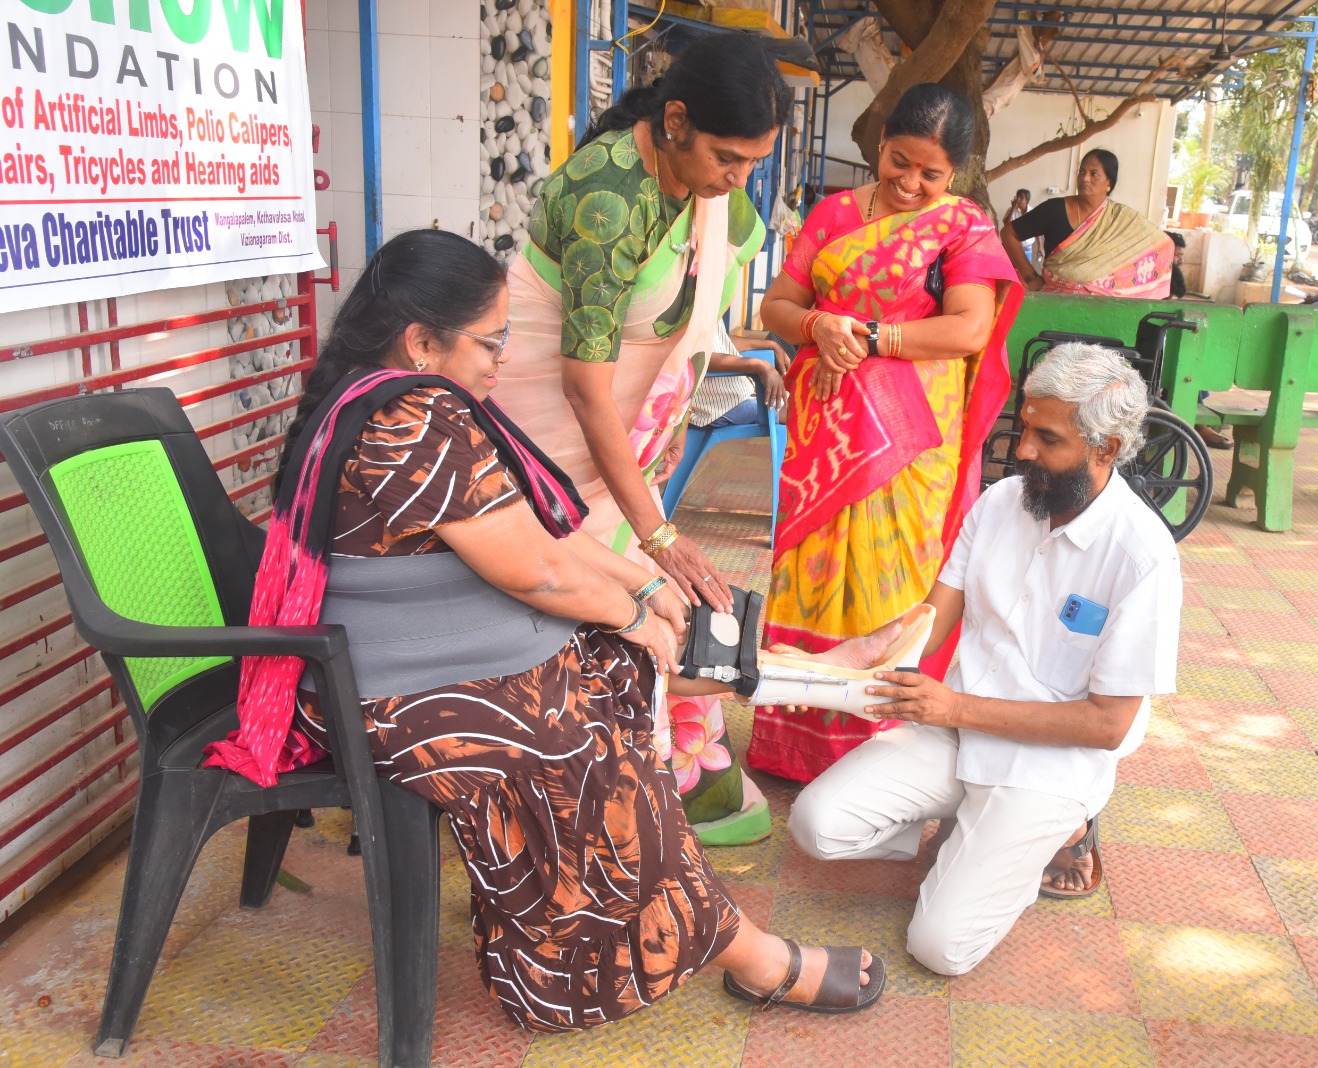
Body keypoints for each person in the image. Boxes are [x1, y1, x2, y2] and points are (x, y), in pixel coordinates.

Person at [204, 230, 889, 1031]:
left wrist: (643, 580)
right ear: (422, 341)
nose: (501, 361)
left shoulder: (385, 393)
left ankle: (625, 913)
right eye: (491, 341)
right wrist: (634, 607)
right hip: (380, 690)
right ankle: (733, 953)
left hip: (395, 660)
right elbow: (538, 571)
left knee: (607, 673)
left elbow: (541, 537)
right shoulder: (413, 417)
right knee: (585, 728)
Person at [788, 342, 1181, 977]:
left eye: (1046, 438)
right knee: (816, 824)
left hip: (1050, 765)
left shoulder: (1143, 557)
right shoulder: (1004, 503)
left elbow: (1109, 724)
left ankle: (1066, 829)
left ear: (1105, 449)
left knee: (940, 949)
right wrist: (838, 665)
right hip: (953, 731)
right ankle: (973, 835)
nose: (1023, 450)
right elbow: (930, 615)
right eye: (1024, 427)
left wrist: (954, 705)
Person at [495, 34, 792, 844]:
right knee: (587, 600)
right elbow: (585, 388)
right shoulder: (608, 198)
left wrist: (727, 351)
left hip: (623, 440)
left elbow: (691, 304)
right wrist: (659, 536)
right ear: (674, 122)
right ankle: (565, 800)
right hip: (549, 438)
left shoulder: (709, 186)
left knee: (638, 608)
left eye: (754, 162)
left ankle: (630, 781)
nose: (738, 179)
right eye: (728, 158)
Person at [747, 84, 1022, 783]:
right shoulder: (835, 214)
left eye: (930, 174)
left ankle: (879, 757)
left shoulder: (963, 226)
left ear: (953, 175)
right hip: (827, 431)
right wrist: (817, 325)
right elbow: (779, 303)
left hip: (911, 443)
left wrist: (869, 335)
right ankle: (795, 744)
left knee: (891, 586)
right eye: (898, 162)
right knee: (812, 580)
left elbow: (968, 328)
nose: (909, 183)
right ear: (879, 145)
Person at [1000, 150, 1174, 298]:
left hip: (1101, 308)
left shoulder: (1120, 219)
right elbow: (1009, 234)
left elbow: (1163, 245)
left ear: (1109, 183)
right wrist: (1031, 278)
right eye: (1082, 172)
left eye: (1094, 174)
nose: (1085, 178)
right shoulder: (1054, 209)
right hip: (1053, 301)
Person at [688, 324, 789, 430]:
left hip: (736, 394)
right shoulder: (686, 310)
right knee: (796, 413)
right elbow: (694, 356)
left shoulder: (707, 309)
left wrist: (770, 345)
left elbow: (722, 342)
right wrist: (759, 365)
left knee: (796, 402)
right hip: (717, 406)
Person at [1003, 188, 1037, 262]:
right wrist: (1013, 208)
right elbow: (1006, 224)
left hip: (1027, 246)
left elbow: (1038, 228)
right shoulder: (1011, 210)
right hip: (1014, 245)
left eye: (1021, 197)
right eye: (1017, 196)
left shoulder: (1032, 212)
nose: (1018, 199)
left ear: (1027, 200)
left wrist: (1040, 247)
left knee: (1026, 268)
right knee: (1013, 267)